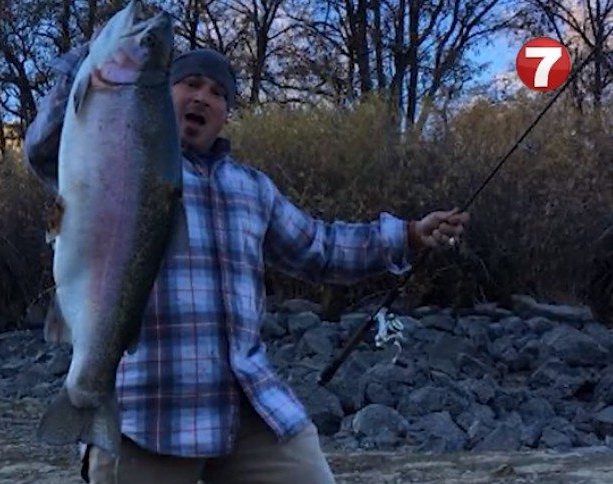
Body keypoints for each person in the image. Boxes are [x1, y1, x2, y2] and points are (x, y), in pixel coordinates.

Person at [26, 47, 470, 484]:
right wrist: (86, 63)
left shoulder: (253, 188)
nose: (202, 97)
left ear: (225, 115)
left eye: (218, 93)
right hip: (148, 407)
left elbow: (321, 247)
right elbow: (47, 150)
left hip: (248, 402)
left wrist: (409, 235)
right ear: (160, 94)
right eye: (190, 84)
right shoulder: (118, 160)